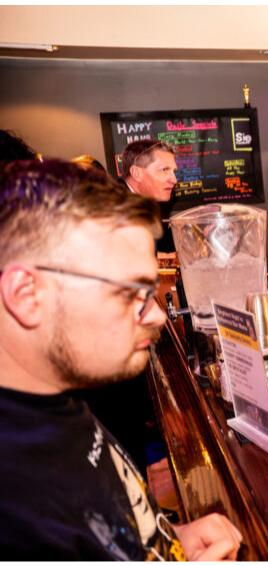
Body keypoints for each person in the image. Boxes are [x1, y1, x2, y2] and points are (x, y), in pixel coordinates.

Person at [0, 160, 242, 560]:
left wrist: (168, 538)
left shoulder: (56, 399)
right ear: (27, 296)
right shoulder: (17, 504)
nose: (157, 316)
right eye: (132, 294)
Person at [120, 139, 178, 254]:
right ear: (136, 173)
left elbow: (160, 241)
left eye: (173, 171)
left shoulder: (145, 202)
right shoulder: (116, 211)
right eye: (164, 170)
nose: (174, 180)